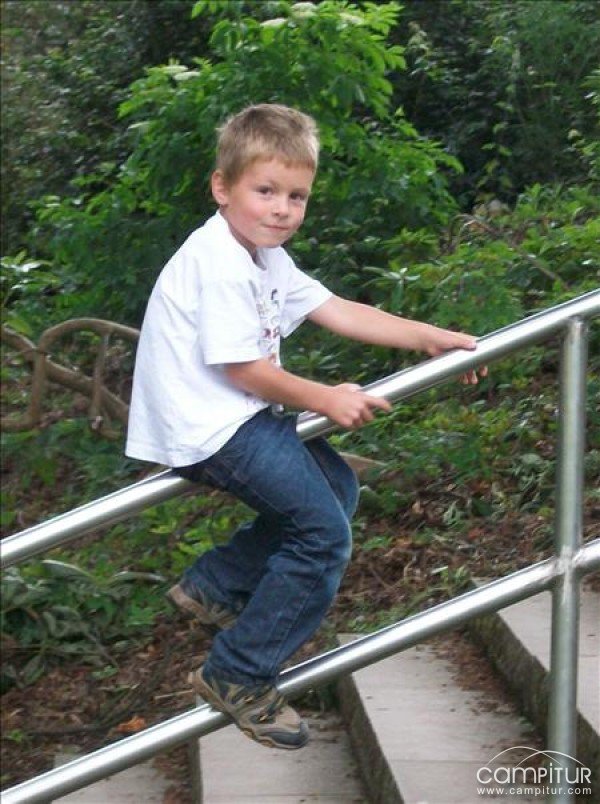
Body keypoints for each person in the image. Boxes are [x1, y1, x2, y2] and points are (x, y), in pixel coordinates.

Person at [126, 103, 485, 750]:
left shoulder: (264, 258)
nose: (282, 209)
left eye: (296, 196)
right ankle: (238, 672)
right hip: (210, 427)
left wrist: (430, 336)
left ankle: (219, 583)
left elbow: (337, 309)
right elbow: (241, 368)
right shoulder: (217, 261)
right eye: (265, 191)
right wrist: (325, 397)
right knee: (322, 536)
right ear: (222, 187)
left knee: (338, 491)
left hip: (239, 418)